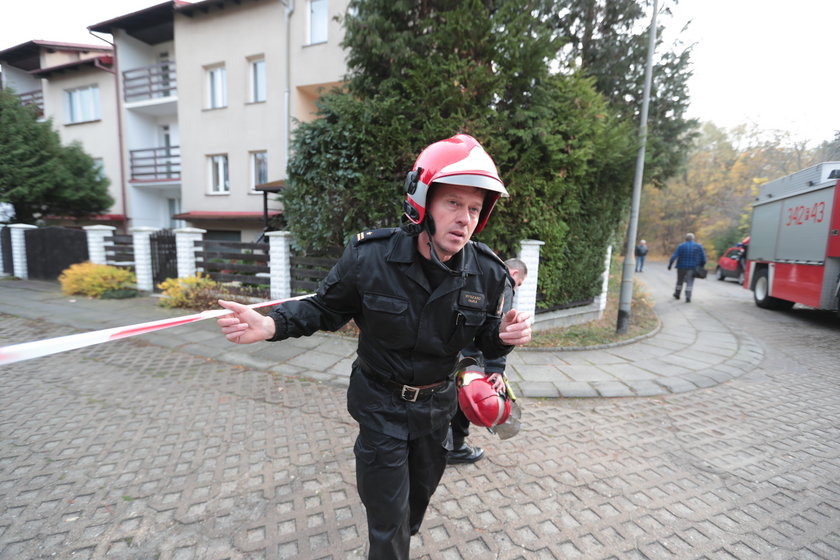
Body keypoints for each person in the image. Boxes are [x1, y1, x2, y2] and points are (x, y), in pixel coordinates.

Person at [215, 134, 532, 559]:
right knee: (387, 524)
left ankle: (402, 532)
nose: (465, 219)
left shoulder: (488, 273)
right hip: (380, 406)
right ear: (422, 199)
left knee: (412, 509)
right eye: (453, 203)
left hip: (437, 411)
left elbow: (484, 342)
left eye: (474, 208)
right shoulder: (370, 257)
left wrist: (502, 341)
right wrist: (271, 324)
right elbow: (323, 309)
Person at [447, 257, 528, 465]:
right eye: (518, 284)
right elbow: (501, 328)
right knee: (467, 397)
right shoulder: (504, 281)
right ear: (515, 274)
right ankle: (455, 447)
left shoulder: (475, 270)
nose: (515, 288)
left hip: (449, 348)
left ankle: (440, 443)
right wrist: (496, 368)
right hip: (472, 355)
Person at [668, 232, 707, 303]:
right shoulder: (698, 246)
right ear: (693, 239)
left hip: (681, 267)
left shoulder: (681, 246)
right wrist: (701, 266)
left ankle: (677, 294)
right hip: (693, 268)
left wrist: (670, 265)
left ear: (685, 239)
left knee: (679, 281)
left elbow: (674, 256)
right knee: (690, 281)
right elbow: (704, 259)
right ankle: (688, 296)